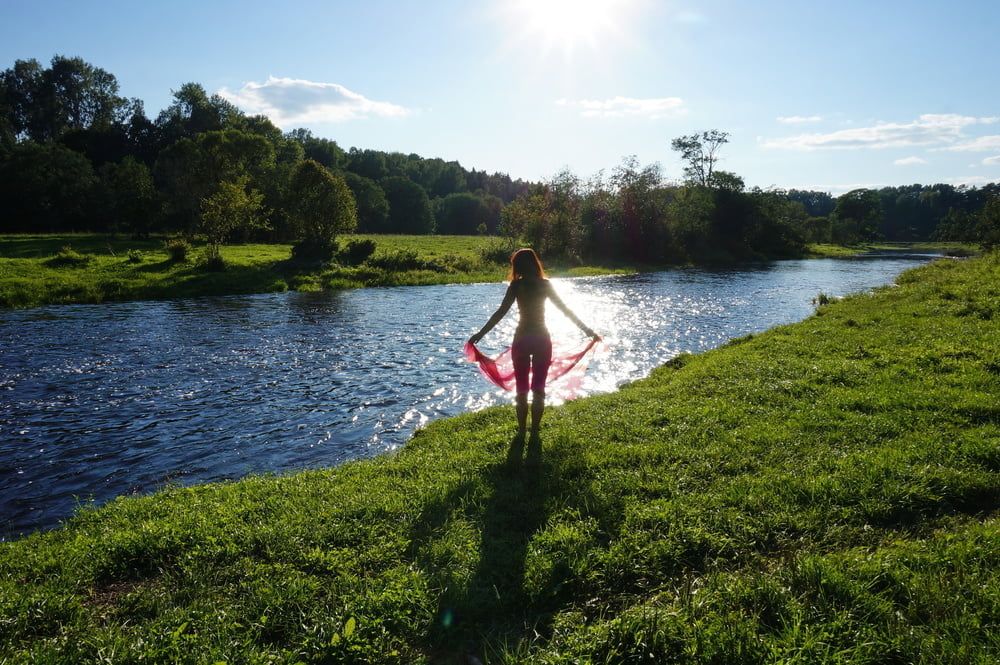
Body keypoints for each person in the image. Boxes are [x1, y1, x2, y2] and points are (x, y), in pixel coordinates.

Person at [468, 248, 600, 439]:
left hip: (521, 339)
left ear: (518, 266)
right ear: (535, 263)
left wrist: (480, 334)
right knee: (538, 388)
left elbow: (500, 313)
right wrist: (587, 331)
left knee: (522, 389)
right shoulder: (544, 285)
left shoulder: (515, 286)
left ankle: (522, 431)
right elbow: (565, 310)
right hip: (541, 339)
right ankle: (535, 432)